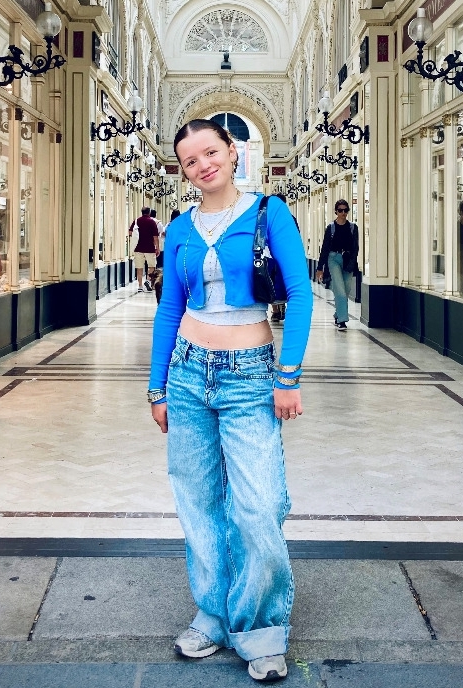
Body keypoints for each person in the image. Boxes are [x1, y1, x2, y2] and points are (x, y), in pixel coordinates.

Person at [148, 118, 312, 682]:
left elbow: (300, 294)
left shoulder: (269, 212)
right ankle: (215, 614)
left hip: (250, 376)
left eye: (211, 152)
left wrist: (287, 376)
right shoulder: (179, 228)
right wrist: (158, 386)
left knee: (258, 505)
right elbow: (170, 309)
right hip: (189, 373)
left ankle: (261, 628)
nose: (203, 165)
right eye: (190, 161)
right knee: (198, 502)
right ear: (183, 171)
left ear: (233, 152)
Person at [315, 199, 359, 331]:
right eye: (340, 210)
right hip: (333, 259)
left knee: (346, 290)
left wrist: (352, 263)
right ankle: (342, 320)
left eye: (345, 210)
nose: (343, 213)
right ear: (336, 212)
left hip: (348, 260)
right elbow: (325, 248)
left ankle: (337, 314)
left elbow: (355, 248)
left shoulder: (353, 228)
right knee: (340, 290)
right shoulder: (331, 228)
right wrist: (320, 268)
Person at [270, 193, 299, 323]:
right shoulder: (269, 218)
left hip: (281, 256)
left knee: (278, 282)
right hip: (275, 257)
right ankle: (277, 309)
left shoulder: (288, 219)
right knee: (274, 282)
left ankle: (279, 309)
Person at [129, 206, 159, 292]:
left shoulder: (136, 221)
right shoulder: (152, 222)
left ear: (142, 212)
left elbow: (130, 232)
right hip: (150, 248)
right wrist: (157, 248)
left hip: (138, 248)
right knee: (151, 266)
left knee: (139, 267)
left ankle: (140, 286)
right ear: (149, 213)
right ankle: (148, 281)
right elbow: (155, 237)